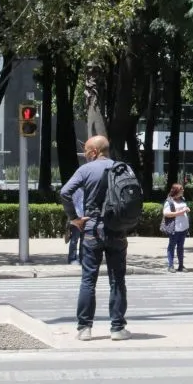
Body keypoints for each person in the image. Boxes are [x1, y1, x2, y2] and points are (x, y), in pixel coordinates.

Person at [60, 135, 131, 342]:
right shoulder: (123, 168)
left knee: (88, 280)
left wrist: (74, 218)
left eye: (86, 151)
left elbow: (65, 192)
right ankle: (117, 328)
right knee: (117, 280)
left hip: (91, 229)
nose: (84, 154)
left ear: (94, 151)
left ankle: (84, 329)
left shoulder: (86, 170)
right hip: (117, 230)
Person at [163, 183, 190, 272]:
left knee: (181, 247)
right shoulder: (169, 201)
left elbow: (184, 208)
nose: (183, 191)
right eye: (181, 189)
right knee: (172, 246)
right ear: (176, 191)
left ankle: (181, 266)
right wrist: (180, 212)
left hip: (183, 228)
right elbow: (166, 214)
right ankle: (170, 266)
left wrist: (186, 209)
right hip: (175, 228)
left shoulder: (182, 199)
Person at [66, 189, 84, 265]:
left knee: (83, 240)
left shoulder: (86, 189)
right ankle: (72, 258)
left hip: (84, 217)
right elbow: (72, 204)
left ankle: (82, 258)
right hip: (77, 217)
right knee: (74, 239)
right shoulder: (76, 190)